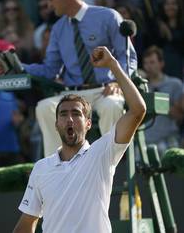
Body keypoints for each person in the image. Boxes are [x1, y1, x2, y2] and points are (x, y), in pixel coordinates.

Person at [13, 46, 146, 233]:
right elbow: (27, 222)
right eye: (63, 114)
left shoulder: (102, 153)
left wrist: (113, 65)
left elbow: (137, 110)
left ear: (88, 124)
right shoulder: (41, 168)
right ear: (56, 124)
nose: (69, 119)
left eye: (76, 114)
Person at [23, 0, 137, 157]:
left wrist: (119, 82)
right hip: (74, 94)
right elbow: (50, 69)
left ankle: (110, 162)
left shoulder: (108, 16)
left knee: (112, 106)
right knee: (44, 107)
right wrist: (19, 68)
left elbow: (128, 57)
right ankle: (58, 167)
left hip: (106, 90)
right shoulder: (58, 29)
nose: (49, 5)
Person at [142, 46, 183, 153]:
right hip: (144, 141)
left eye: (152, 62)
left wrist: (158, 102)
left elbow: (180, 116)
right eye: (146, 63)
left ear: (161, 64)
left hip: (168, 139)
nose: (148, 67)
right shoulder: (140, 87)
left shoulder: (175, 84)